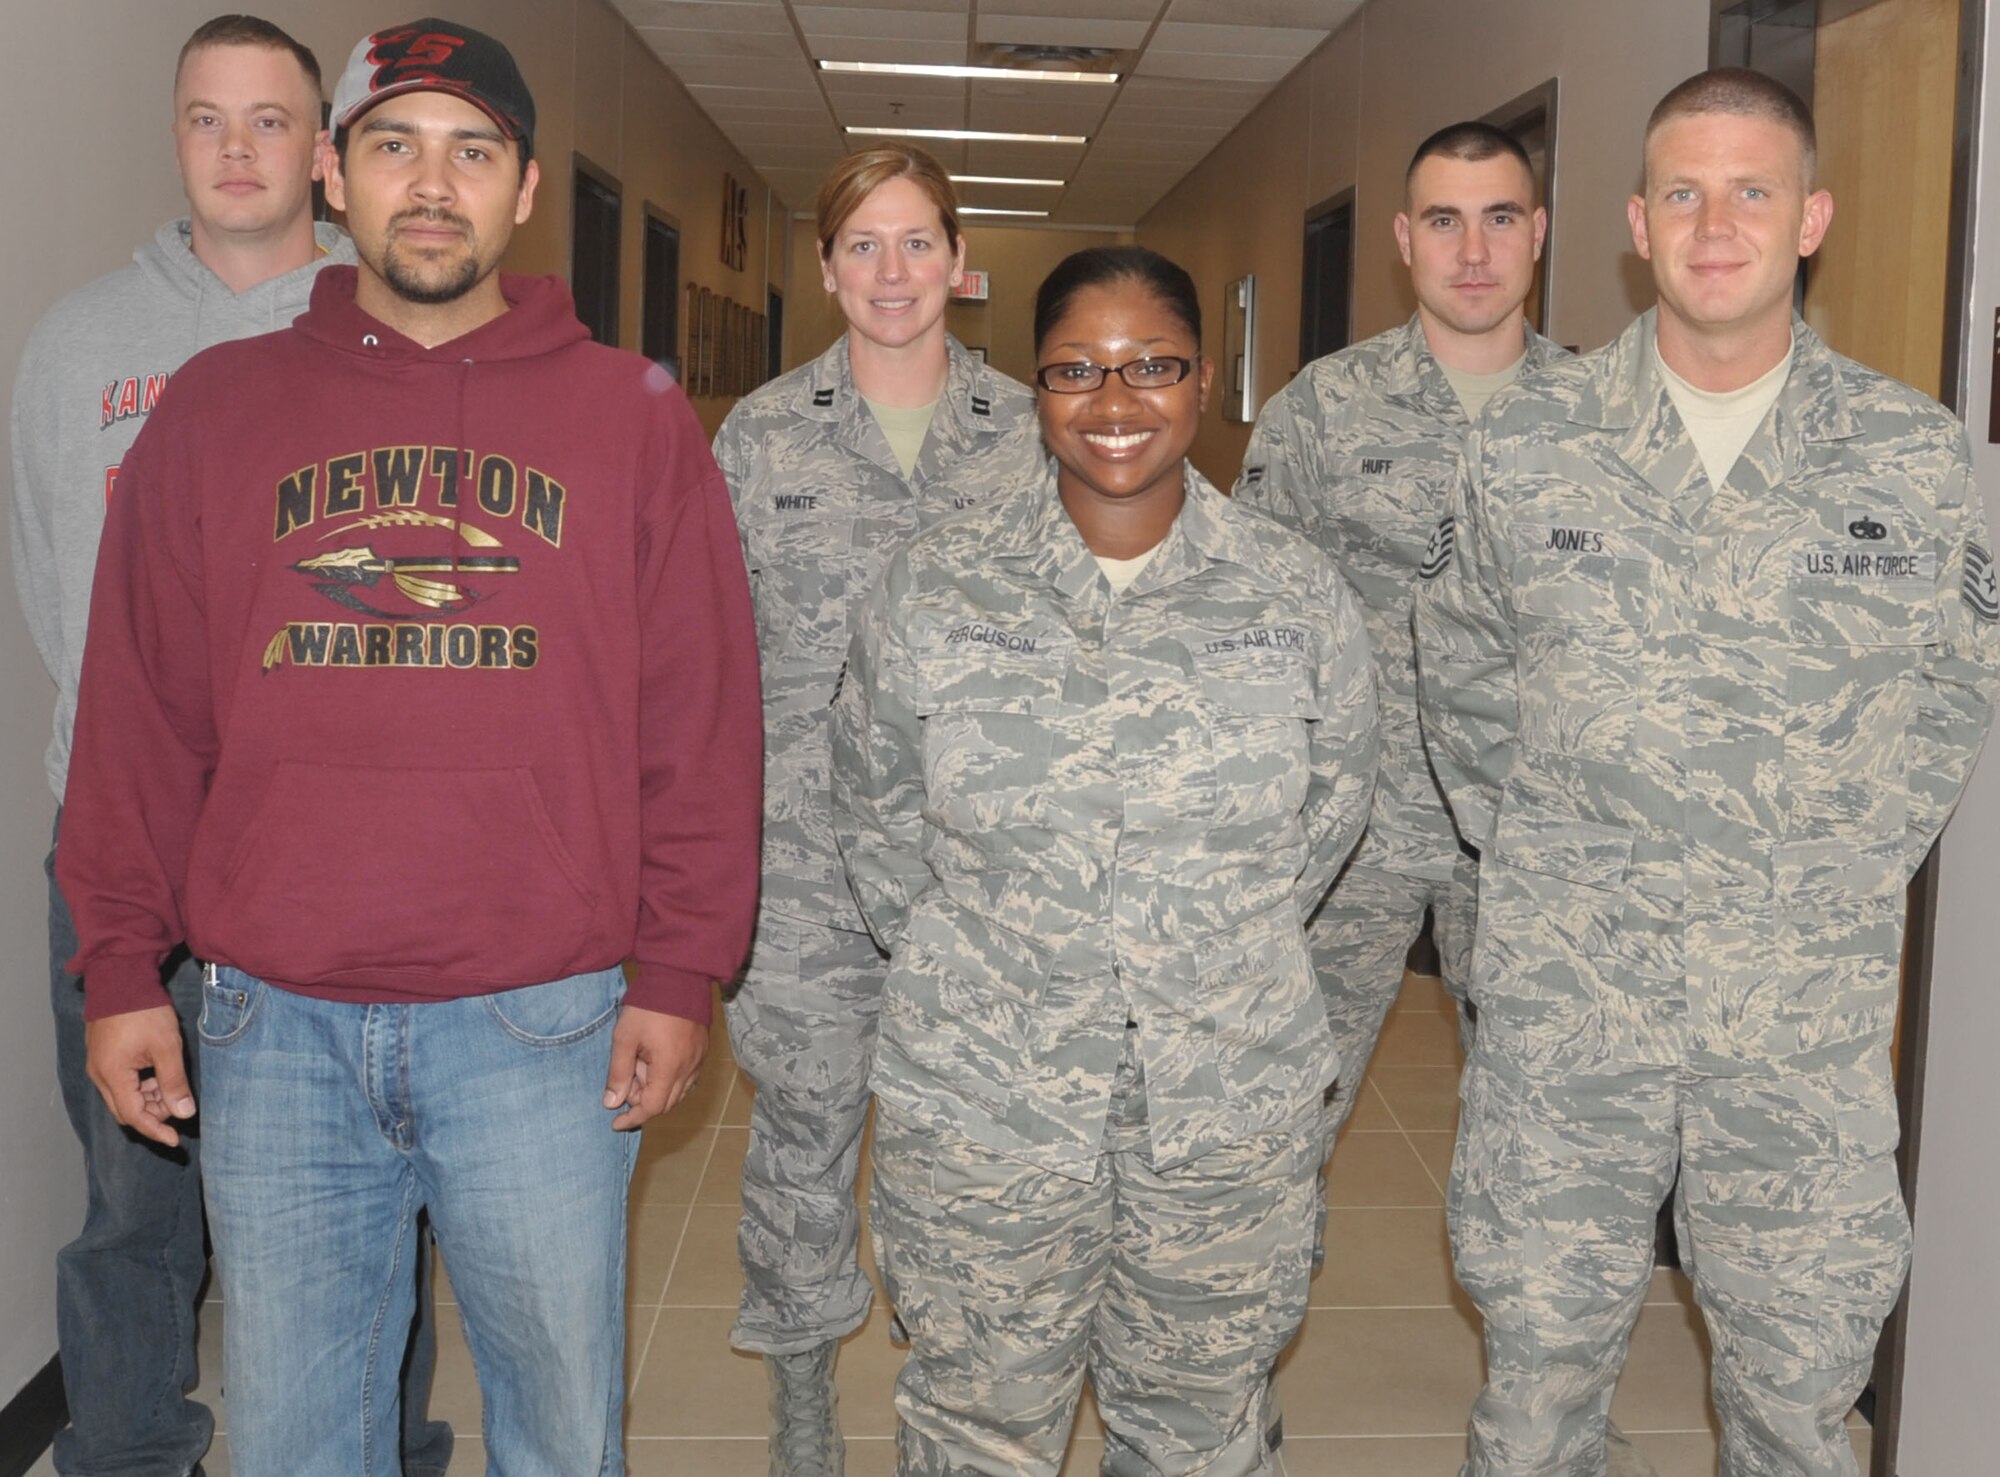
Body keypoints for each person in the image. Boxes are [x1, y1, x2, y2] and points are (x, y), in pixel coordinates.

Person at [57, 17, 762, 1474]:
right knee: (302, 1442)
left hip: (542, 1022)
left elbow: (698, 720)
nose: (430, 185)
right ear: (333, 172)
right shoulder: (215, 413)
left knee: (557, 1434)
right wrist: (120, 963)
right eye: (393, 147)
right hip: (273, 1021)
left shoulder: (630, 420)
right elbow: (139, 710)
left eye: (470, 152)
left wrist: (682, 965)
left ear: (525, 188)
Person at [1415, 68, 1999, 1477]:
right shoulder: (1532, 445)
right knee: (1540, 1382)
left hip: (1795, 1021)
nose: (1716, 221)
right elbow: (1464, 672)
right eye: (1684, 190)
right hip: (1569, 1010)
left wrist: (1832, 859)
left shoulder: (1912, 457)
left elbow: (1955, 685)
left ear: (1811, 218)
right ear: (1635, 223)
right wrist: (1565, 852)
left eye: (1753, 190)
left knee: (1799, 1401)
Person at [832, 245, 1379, 1475]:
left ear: (1201, 382)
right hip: (986, 1104)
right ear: (1033, 386)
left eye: (1153, 367)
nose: (1115, 402)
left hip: (1224, 1106)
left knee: (1198, 1430)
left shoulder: (1293, 594)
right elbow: (875, 821)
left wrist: (1194, 946)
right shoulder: (929, 588)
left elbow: (1331, 810)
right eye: (1075, 369)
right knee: (977, 1428)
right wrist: (999, 969)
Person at [6, 16, 446, 1476]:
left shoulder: (393, 329)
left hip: (327, 854)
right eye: (208, 119)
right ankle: (129, 1450)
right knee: (135, 1206)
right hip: (124, 850)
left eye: (272, 122)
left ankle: (382, 1449)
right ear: (177, 136)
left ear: (323, 152)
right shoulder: (78, 344)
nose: (238, 150)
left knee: (353, 1199)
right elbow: (56, 581)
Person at [712, 143, 1043, 1473]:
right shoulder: (762, 435)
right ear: (826, 266)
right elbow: (708, 658)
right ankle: (802, 1394)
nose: (893, 273)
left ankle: (950, 1393)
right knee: (802, 1140)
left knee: (959, 1149)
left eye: (918, 243)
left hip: (979, 875)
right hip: (799, 871)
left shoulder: (1031, 431)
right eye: (864, 245)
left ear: (961, 264)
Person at [1235, 119, 1563, 1152]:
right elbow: (1247, 630)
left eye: (1498, 218)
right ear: (1401, 238)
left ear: (1538, 233)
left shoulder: (1602, 417)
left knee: (1538, 1121)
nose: (1472, 251)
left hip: (1530, 828)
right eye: (1443, 220)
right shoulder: (1320, 413)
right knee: (1288, 1111)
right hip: (1350, 824)